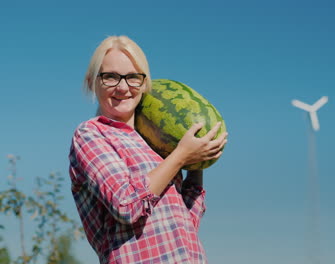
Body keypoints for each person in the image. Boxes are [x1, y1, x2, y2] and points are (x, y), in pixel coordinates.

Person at [69, 35, 227, 264]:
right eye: (110, 77)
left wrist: (198, 160)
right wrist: (182, 155)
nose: (122, 87)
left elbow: (186, 222)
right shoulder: (91, 135)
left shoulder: (153, 144)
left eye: (133, 77)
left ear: (144, 83)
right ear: (93, 81)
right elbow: (127, 205)